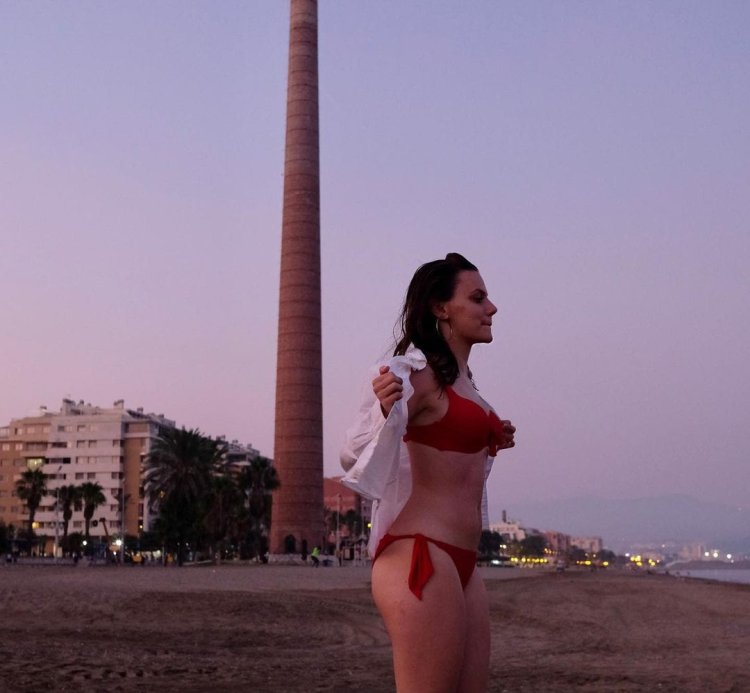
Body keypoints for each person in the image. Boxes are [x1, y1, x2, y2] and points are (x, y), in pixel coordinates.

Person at [340, 253, 515, 692]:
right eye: (477, 298)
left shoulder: (465, 383)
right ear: (441, 308)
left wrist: (494, 434)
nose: (491, 308)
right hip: (422, 554)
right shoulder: (416, 376)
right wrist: (384, 411)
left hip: (463, 563)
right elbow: (352, 454)